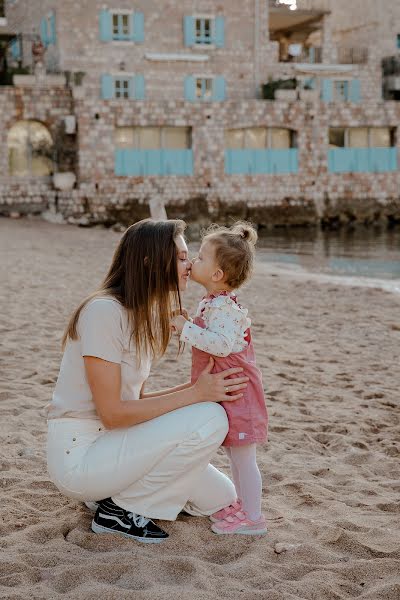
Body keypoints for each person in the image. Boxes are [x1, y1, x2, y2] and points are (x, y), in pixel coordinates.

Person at [46, 219, 249, 544]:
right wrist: (196, 395)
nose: (189, 265)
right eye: (182, 257)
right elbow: (113, 413)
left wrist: (201, 390)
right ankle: (118, 510)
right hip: (81, 456)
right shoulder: (104, 312)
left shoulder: (142, 315)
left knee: (222, 497)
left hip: (115, 444)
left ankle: (117, 492)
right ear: (148, 262)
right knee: (212, 417)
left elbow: (137, 405)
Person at [171, 222, 268, 535]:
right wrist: (189, 324)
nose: (192, 263)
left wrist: (186, 329)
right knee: (235, 457)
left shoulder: (224, 306)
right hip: (228, 391)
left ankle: (254, 518)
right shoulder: (214, 302)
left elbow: (221, 344)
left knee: (243, 459)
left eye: (199, 258)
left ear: (216, 274)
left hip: (239, 395)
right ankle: (244, 506)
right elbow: (210, 335)